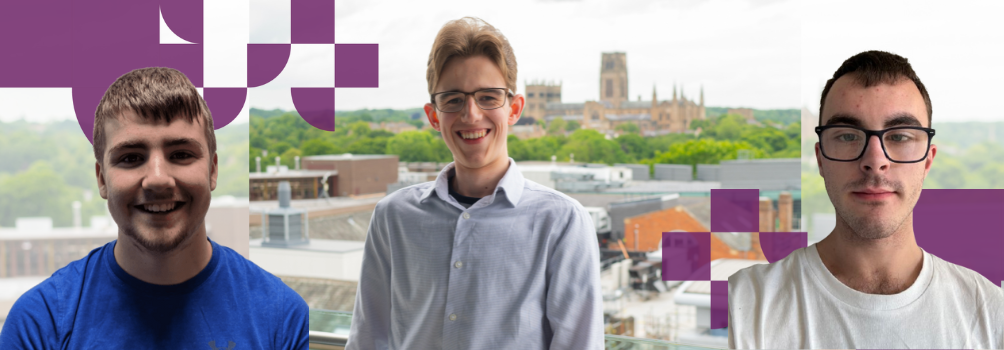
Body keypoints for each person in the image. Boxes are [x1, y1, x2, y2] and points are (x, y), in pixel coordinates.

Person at [0, 67, 309, 349]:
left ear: (213, 170)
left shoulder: (281, 318)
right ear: (101, 179)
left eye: (181, 154)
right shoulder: (41, 323)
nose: (158, 179)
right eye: (131, 158)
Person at [346, 17, 603, 350]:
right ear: (434, 115)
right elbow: (369, 339)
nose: (470, 114)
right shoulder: (393, 217)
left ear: (514, 109)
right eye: (453, 99)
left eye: (488, 97)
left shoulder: (562, 221)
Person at [728, 51, 1002, 349]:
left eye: (899, 137)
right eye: (847, 136)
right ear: (820, 160)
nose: (875, 160)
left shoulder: (989, 311)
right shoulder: (744, 304)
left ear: (927, 161)